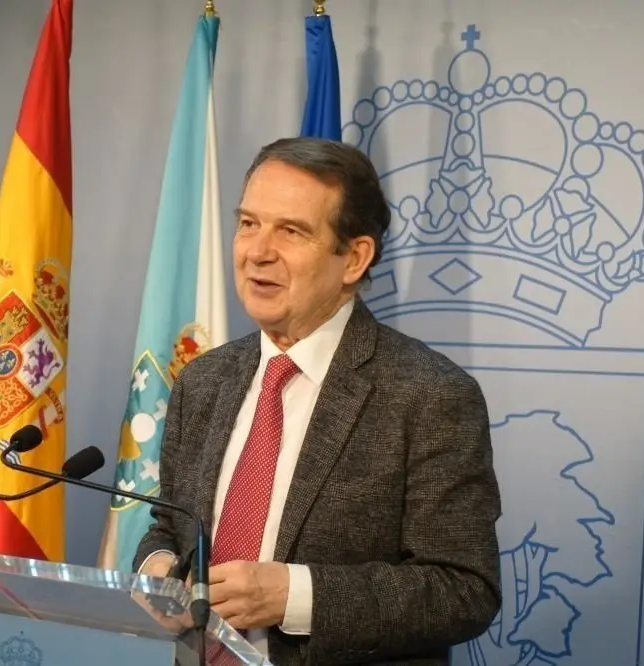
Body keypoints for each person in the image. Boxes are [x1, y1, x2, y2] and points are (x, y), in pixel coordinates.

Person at [134, 137, 501, 666]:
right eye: (248, 223)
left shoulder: (429, 394)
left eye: (291, 231)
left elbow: (464, 590)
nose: (257, 251)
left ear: (354, 258)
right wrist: (158, 568)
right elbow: (168, 527)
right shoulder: (203, 381)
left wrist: (294, 596)